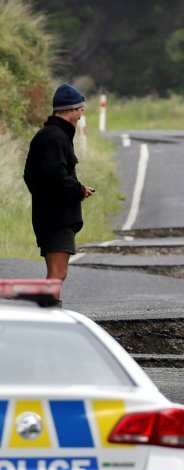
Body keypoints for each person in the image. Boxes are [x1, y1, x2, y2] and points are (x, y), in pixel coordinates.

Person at [23, 83, 95, 304]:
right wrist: (79, 190)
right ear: (72, 109)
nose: (81, 116)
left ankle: (50, 316)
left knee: (56, 274)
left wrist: (44, 197)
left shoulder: (48, 135)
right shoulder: (56, 138)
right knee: (57, 274)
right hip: (57, 219)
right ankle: (50, 319)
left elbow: (31, 176)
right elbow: (57, 177)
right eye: (80, 110)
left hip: (49, 216)